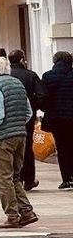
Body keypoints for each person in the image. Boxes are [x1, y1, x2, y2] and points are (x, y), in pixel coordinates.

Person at [0, 56, 39, 228]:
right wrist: (17, 125)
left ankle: (12, 216)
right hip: (20, 135)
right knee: (14, 176)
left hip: (2, 137)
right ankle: (27, 211)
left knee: (3, 178)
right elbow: (28, 112)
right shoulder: (17, 84)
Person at [9, 50, 47, 190]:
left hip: (10, 117)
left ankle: (15, 177)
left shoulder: (6, 75)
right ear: (22, 59)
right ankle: (29, 179)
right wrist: (34, 105)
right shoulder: (30, 75)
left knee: (11, 147)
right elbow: (42, 94)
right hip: (28, 116)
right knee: (27, 146)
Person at [41, 51, 73, 190]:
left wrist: (47, 109)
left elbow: (42, 97)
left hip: (56, 119)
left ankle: (66, 178)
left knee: (61, 147)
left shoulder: (48, 76)